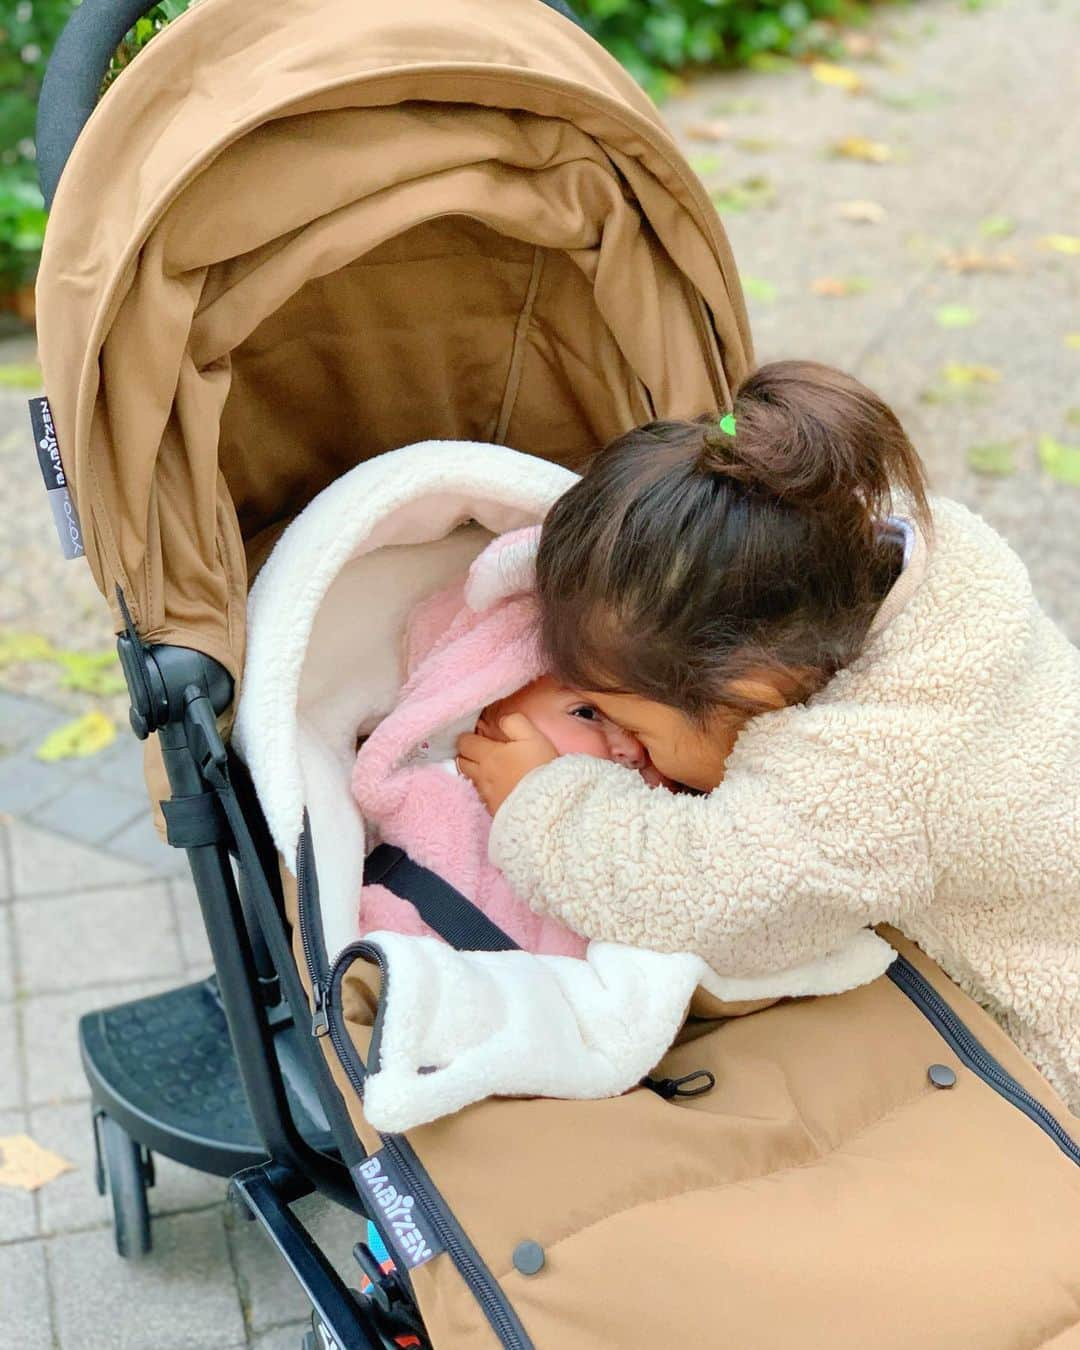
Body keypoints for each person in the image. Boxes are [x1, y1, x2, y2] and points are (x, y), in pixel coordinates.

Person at [456, 359, 1080, 1109]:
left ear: (750, 694)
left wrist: (543, 803)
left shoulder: (874, 773)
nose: (628, 751)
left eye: (628, 723)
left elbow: (711, 900)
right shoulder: (892, 547)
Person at [353, 566, 663, 957]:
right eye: (586, 713)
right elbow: (399, 934)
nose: (632, 750)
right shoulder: (435, 808)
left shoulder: (661, 811)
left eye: (640, 722)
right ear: (482, 721)